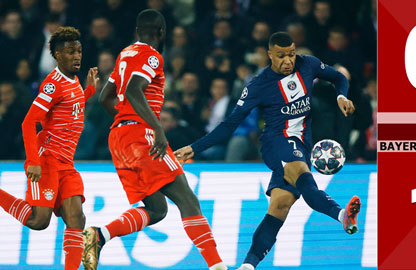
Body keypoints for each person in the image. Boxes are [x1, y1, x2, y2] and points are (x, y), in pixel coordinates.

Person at [175, 32, 361, 270]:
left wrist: (341, 96)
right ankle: (342, 216)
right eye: (281, 56)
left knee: (279, 208)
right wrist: (193, 148)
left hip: (301, 145)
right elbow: (230, 124)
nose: (288, 61)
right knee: (306, 183)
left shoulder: (308, 64)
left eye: (291, 54)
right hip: (277, 142)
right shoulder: (259, 85)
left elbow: (337, 77)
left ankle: (248, 265)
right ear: (270, 55)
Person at [82, 9, 228, 270]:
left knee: (157, 209)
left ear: (137, 31)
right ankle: (217, 266)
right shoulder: (152, 55)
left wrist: (126, 119)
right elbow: (134, 90)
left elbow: (106, 97)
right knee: (187, 200)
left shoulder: (124, 54)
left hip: (119, 138)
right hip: (141, 135)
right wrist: (157, 129)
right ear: (162, 33)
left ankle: (100, 235)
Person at [0, 26, 98, 270]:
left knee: (77, 218)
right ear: (56, 54)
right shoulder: (52, 85)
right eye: (70, 52)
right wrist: (33, 160)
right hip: (46, 161)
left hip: (66, 164)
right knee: (38, 221)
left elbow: (68, 107)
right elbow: (28, 122)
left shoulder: (74, 80)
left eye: (79, 51)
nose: (77, 56)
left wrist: (88, 92)